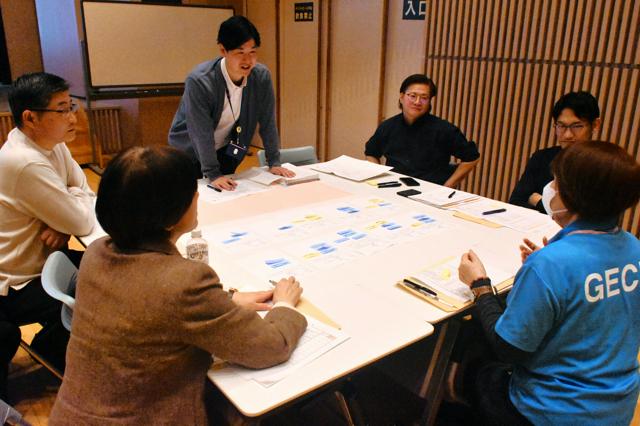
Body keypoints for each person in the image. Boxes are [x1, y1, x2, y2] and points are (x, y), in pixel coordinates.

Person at [49, 146, 307, 424]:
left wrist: (225, 301)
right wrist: (284, 304)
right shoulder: (185, 282)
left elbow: (144, 300)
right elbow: (270, 346)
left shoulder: (95, 254)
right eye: (192, 193)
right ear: (171, 216)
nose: (197, 198)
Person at [457, 141, 640, 425]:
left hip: (552, 410)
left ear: (572, 195)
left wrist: (479, 285)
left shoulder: (550, 264)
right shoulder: (633, 247)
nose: (551, 188)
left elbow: (508, 348)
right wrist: (548, 265)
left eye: (556, 182)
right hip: (616, 405)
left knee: (472, 358)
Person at [0, 72, 95, 400]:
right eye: (62, 110)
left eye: (71, 107)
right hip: (17, 283)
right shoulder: (24, 161)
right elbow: (82, 220)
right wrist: (68, 216)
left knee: (109, 265)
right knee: (105, 286)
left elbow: (83, 189)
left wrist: (62, 221)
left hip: (43, 261)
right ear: (30, 118)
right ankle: (57, 350)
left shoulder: (52, 145)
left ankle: (53, 346)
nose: (73, 117)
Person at [169, 15, 293, 191]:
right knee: (195, 195)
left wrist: (274, 162)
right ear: (223, 50)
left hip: (227, 148)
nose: (248, 60)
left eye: (252, 52)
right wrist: (213, 173)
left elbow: (268, 122)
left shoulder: (260, 77)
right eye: (240, 52)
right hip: (190, 150)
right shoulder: (200, 81)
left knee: (227, 193)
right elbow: (200, 132)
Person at [364, 74, 480, 187]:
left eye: (424, 98)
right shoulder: (388, 126)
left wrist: (448, 186)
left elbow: (471, 158)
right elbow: (371, 153)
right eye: (412, 96)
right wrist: (378, 179)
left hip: (430, 191)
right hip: (393, 187)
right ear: (402, 97)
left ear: (429, 101)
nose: (417, 102)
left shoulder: (444, 129)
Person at [509, 91, 601, 213]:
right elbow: (516, 201)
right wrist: (555, 208)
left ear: (595, 125)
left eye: (577, 126)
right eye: (561, 126)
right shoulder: (541, 158)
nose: (567, 135)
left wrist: (538, 201)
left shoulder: (604, 166)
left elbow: (584, 216)